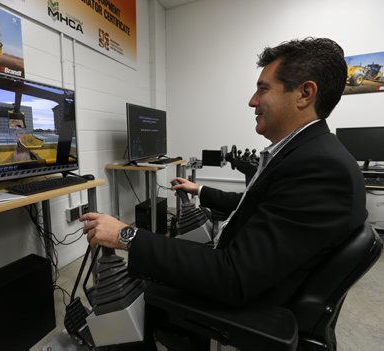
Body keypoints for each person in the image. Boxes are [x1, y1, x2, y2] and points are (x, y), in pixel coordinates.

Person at [80, 37, 366, 313]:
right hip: (254, 279)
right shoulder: (308, 154)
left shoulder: (321, 168)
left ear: (305, 94)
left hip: (247, 306)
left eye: (263, 89)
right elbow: (256, 206)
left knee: (134, 290)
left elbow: (232, 276)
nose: (252, 101)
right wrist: (200, 190)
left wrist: (126, 235)